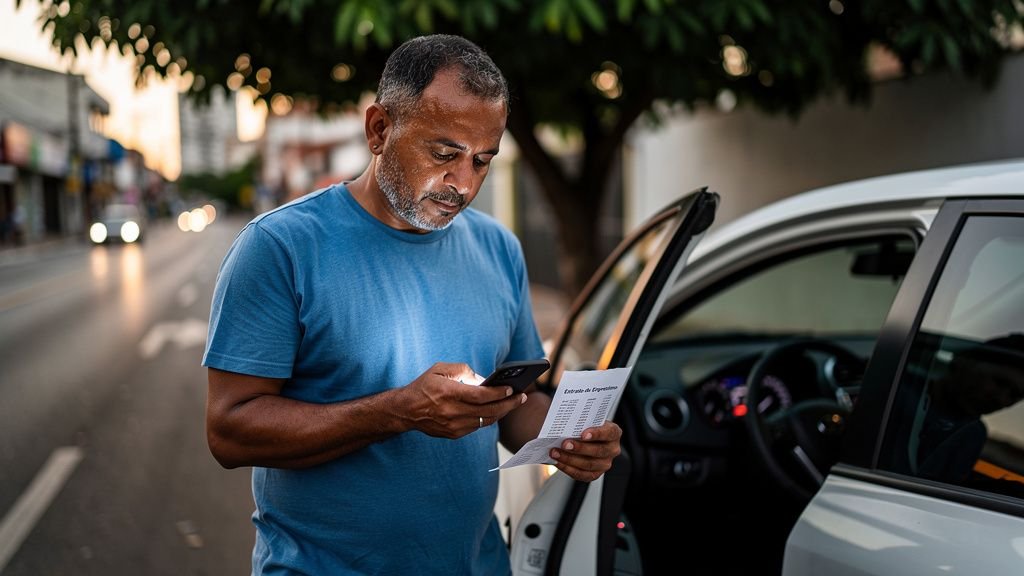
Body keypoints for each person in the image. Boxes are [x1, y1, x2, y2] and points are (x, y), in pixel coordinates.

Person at [202, 34, 622, 575]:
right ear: (379, 129)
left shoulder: (498, 248)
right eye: (444, 154)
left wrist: (568, 438)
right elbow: (228, 432)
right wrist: (396, 412)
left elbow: (515, 407)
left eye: (482, 161)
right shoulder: (280, 248)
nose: (463, 185)